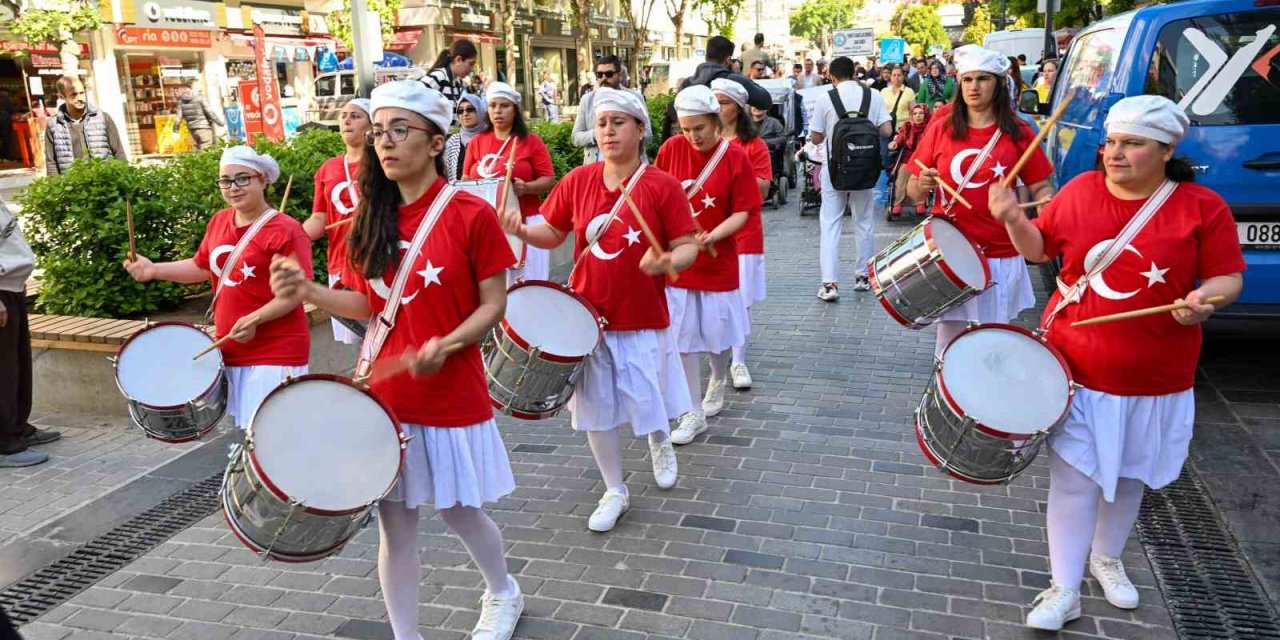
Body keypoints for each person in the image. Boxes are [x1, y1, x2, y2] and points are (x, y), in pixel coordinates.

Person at [270, 80, 524, 640]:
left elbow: (495, 304)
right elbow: (368, 301)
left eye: (399, 131)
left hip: (451, 387)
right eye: (379, 131)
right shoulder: (373, 215)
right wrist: (309, 292)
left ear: (436, 143)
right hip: (386, 390)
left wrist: (449, 344)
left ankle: (503, 591)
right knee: (395, 525)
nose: (384, 143)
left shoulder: (469, 213)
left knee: (460, 511)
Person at [988, 95, 1245, 631]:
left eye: (1133, 144)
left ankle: (1106, 558)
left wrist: (1206, 301)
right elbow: (1039, 250)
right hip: (1076, 365)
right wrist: (1013, 219)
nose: (1115, 153)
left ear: (1167, 150)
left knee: (1128, 477)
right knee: (1076, 479)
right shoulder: (1080, 190)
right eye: (1111, 142)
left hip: (1157, 372)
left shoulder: (1201, 207)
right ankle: (1063, 587)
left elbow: (1227, 276)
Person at [502, 87, 698, 532]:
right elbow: (552, 234)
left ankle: (658, 437)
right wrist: (521, 230)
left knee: (645, 393)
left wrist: (670, 260)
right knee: (595, 406)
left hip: (642, 313)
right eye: (602, 124)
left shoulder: (661, 186)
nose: (608, 132)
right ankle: (615, 489)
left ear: (640, 130)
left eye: (618, 123)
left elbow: (686, 244)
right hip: (588, 316)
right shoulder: (577, 181)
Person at [124, 146, 312, 430]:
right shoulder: (220, 220)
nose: (233, 187)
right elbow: (202, 267)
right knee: (248, 435)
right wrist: (154, 270)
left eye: (242, 179)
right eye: (226, 181)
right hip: (230, 347)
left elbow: (295, 292)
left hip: (276, 350)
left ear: (262, 180)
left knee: (268, 435)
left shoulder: (286, 229)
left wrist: (255, 318)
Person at [907, 45, 1055, 358]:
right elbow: (913, 192)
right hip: (950, 254)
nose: (974, 87)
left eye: (983, 79)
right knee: (949, 348)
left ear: (999, 84)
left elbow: (1041, 186)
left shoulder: (1018, 131)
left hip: (999, 253)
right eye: (967, 80)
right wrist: (921, 183)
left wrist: (1045, 202)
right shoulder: (942, 129)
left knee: (992, 347)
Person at [655, 85, 759, 445]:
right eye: (685, 129)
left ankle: (718, 377)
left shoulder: (735, 157)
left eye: (699, 128)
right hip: (681, 263)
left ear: (716, 122)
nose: (692, 136)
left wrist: (713, 235)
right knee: (682, 339)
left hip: (719, 263)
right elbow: (657, 195)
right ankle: (692, 411)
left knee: (716, 337)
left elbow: (744, 210)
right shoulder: (670, 150)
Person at [809, 57, 893, 301]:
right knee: (864, 221)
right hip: (866, 169)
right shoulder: (873, 96)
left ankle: (830, 284)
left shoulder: (826, 98)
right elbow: (886, 131)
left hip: (834, 170)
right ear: (855, 73)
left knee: (830, 223)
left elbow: (815, 137)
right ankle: (863, 277)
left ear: (832, 77)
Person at [463, 82, 556, 282]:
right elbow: (466, 180)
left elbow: (548, 180)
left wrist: (527, 188)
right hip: (486, 227)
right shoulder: (477, 143)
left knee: (527, 286)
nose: (498, 111)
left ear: (515, 109)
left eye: (504, 106)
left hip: (526, 223)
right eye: (493, 105)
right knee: (493, 286)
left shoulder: (531, 142)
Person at [712, 79, 771, 392]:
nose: (719, 108)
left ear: (738, 108)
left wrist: (733, 180)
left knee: (741, 300)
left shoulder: (753, 145)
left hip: (744, 233)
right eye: (715, 102)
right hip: (708, 233)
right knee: (713, 300)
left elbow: (762, 188)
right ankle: (715, 358)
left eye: (724, 102)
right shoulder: (702, 142)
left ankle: (738, 359)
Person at [304, 99, 372, 345]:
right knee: (359, 344)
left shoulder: (384, 163)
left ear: (372, 125)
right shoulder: (328, 169)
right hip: (342, 265)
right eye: (344, 116)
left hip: (379, 261)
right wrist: (294, 235)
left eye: (355, 116)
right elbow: (319, 218)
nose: (346, 120)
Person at [0, 200, 61, 468]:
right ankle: (6, 444)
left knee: (18, 365)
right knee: (3, 371)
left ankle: (17, 426)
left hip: (11, 286)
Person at [661, 36, 772, 140]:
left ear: (706, 56)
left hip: (693, 145)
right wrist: (739, 76)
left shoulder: (686, 84)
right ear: (728, 60)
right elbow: (765, 101)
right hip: (728, 143)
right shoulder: (732, 80)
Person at [573, 55, 653, 164]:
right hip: (595, 169)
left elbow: (648, 135)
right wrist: (597, 134)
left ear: (619, 75)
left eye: (609, 74)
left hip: (631, 168)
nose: (604, 78)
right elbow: (576, 137)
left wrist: (625, 134)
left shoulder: (634, 97)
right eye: (599, 75)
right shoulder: (587, 100)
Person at [44, 76, 127, 175]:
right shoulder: (54, 125)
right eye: (73, 94)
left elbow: (119, 153)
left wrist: (123, 178)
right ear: (62, 96)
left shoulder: (103, 118)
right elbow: (51, 163)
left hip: (103, 183)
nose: (80, 98)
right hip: (72, 185)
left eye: (82, 93)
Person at [887, 103, 930, 216]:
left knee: (922, 176)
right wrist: (895, 143)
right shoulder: (907, 127)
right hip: (907, 158)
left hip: (923, 159)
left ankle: (920, 202)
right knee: (902, 174)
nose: (918, 116)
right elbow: (900, 140)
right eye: (915, 113)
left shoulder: (930, 128)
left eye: (921, 113)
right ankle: (898, 203)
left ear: (925, 115)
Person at [422, 40, 478, 119]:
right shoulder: (437, 77)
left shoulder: (458, 83)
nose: (472, 69)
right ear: (458, 60)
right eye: (471, 64)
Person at [443, 94, 488, 181]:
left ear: (480, 111)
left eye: (470, 109)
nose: (465, 114)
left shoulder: (491, 138)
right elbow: (445, 174)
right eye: (460, 111)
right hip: (458, 192)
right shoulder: (452, 141)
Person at [172, 79, 224, 151]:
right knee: (206, 150)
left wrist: (175, 130)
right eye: (199, 84)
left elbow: (178, 117)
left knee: (197, 149)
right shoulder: (200, 97)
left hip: (192, 129)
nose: (201, 86)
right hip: (204, 128)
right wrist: (220, 123)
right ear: (194, 85)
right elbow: (210, 112)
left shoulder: (181, 100)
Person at [880, 66, 916, 133]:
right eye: (894, 75)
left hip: (903, 129)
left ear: (903, 77)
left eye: (899, 75)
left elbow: (913, 111)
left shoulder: (909, 91)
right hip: (886, 128)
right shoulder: (884, 91)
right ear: (890, 77)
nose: (896, 77)